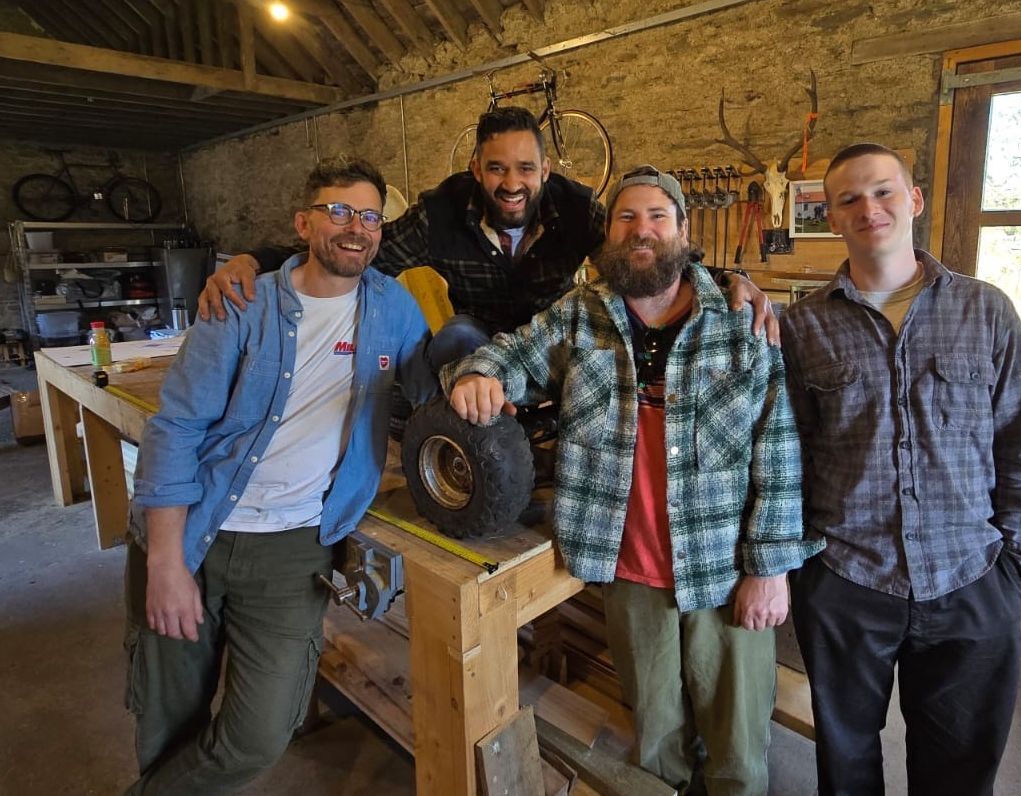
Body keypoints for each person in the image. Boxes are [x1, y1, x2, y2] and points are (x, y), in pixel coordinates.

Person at [447, 165, 822, 795]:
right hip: (628, 571)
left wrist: (770, 568)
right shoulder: (579, 317)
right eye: (626, 217)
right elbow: (509, 353)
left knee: (739, 755)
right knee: (656, 740)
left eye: (656, 216)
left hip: (723, 568)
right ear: (609, 234)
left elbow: (778, 449)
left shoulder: (740, 323)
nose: (640, 229)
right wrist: (477, 373)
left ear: (681, 231)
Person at [123, 156, 436, 795]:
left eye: (370, 215)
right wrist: (164, 562)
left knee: (261, 732)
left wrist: (487, 382)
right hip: (194, 530)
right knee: (168, 718)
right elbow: (176, 428)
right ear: (303, 222)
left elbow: (436, 388)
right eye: (338, 211)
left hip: (294, 547)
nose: (355, 228)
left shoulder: (394, 308)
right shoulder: (243, 303)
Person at [779, 143, 1021, 796]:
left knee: (960, 769)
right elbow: (788, 453)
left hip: (972, 577)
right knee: (845, 767)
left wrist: (1017, 559)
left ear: (914, 200)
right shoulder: (803, 327)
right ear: (831, 216)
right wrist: (804, 569)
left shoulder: (986, 311)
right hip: (848, 578)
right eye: (847, 199)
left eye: (882, 191)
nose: (867, 208)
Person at [198, 107, 778, 369]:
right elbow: (357, 249)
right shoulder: (440, 213)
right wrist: (257, 258)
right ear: (476, 169)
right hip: (477, 333)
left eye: (525, 168)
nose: (512, 183)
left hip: (554, 332)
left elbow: (648, 253)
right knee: (450, 339)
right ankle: (454, 440)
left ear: (545, 172)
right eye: (497, 168)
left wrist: (730, 280)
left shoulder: (578, 211)